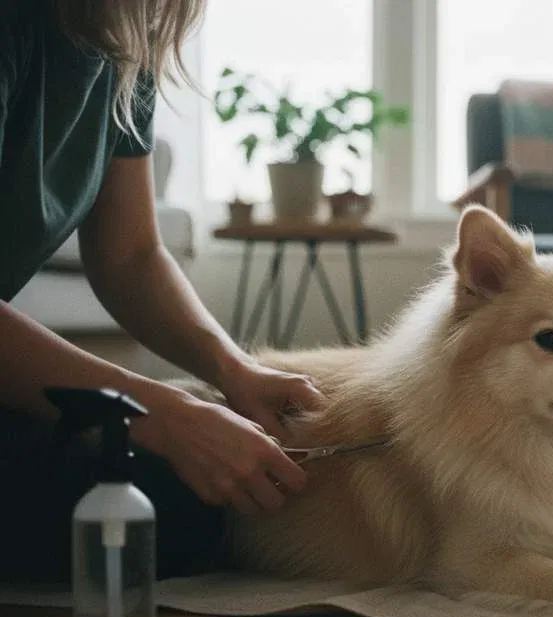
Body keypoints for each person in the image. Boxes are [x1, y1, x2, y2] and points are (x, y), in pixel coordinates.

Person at [0, 0, 324, 582]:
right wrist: (154, 412)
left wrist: (234, 370)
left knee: (184, 497)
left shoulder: (123, 37)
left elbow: (131, 256)